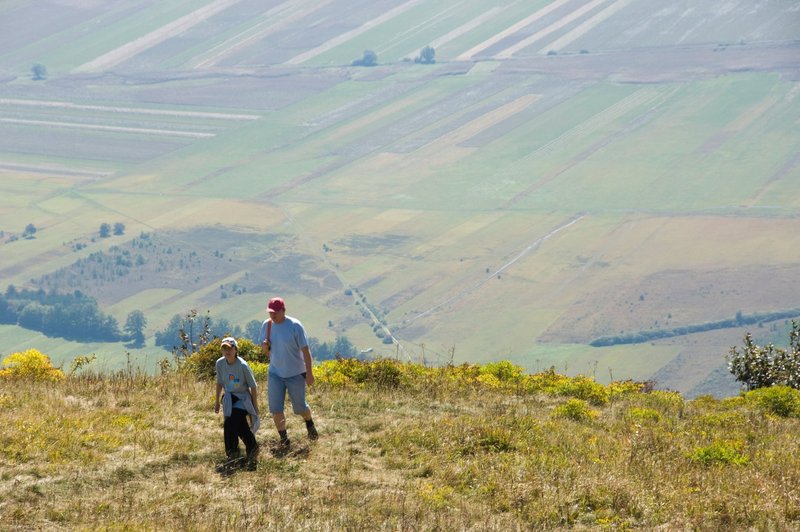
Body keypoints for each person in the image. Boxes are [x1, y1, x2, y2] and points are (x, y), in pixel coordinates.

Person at [258, 296, 318, 449]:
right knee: (275, 408)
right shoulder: (267, 325)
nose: (272, 315)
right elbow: (266, 352)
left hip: (295, 374)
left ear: (283, 310)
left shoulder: (295, 326)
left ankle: (309, 422)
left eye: (275, 312)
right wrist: (265, 348)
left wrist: (309, 374)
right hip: (275, 373)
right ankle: (284, 439)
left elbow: (306, 351)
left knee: (299, 408)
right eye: (270, 312)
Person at [214, 337, 260, 466]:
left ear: (235, 349)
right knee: (240, 427)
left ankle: (233, 454)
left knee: (230, 423)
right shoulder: (220, 363)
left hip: (243, 398)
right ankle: (252, 448)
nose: (227, 351)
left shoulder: (242, 365)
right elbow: (219, 382)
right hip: (229, 397)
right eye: (224, 349)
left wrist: (255, 407)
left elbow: (253, 386)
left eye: (229, 348)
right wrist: (217, 401)